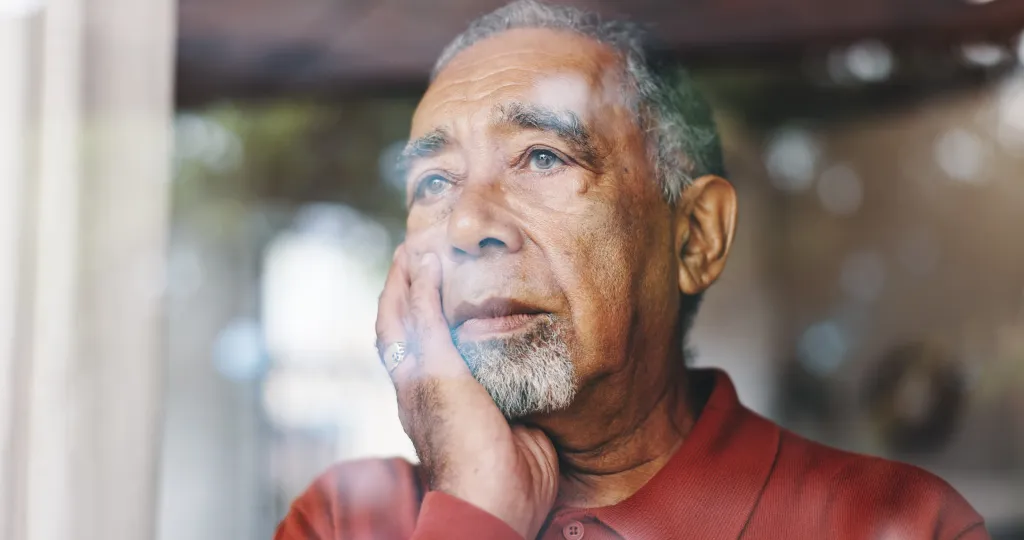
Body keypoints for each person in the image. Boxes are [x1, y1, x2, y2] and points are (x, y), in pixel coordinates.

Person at [274, 1, 988, 538]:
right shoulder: (345, 519)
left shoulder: (895, 523)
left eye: (542, 157)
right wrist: (472, 509)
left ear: (694, 239)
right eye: (434, 181)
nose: (466, 225)